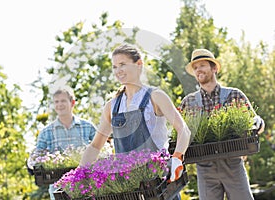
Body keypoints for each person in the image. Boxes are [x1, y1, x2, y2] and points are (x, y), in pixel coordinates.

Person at [79, 44, 191, 199]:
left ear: (139, 65)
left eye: (123, 64)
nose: (118, 71)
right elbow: (95, 146)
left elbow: (183, 130)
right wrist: (79, 174)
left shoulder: (155, 96)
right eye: (115, 67)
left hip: (159, 185)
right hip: (130, 188)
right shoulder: (112, 106)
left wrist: (177, 157)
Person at [180, 48, 265, 200]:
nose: (198, 70)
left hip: (233, 165)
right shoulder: (189, 102)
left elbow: (256, 121)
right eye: (195, 67)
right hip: (205, 169)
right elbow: (181, 133)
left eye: (202, 65)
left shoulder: (234, 95)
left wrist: (257, 122)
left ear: (214, 68)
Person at [28, 86, 96, 200]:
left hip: (86, 184)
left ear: (72, 103)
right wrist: (32, 163)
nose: (60, 104)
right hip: (58, 189)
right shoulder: (46, 132)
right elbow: (37, 155)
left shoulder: (87, 127)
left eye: (63, 101)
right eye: (56, 102)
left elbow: (101, 150)